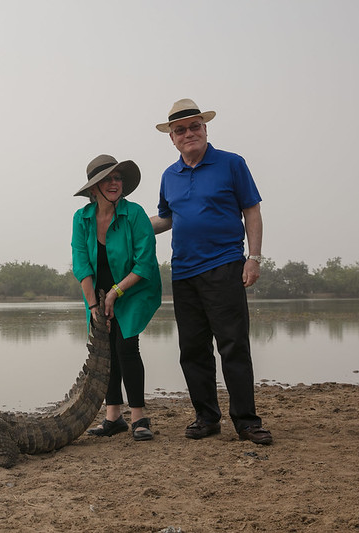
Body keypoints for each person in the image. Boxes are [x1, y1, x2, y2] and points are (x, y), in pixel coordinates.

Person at [150, 98, 273, 445]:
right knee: (193, 350)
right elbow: (167, 218)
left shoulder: (232, 163)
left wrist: (254, 257)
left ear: (205, 129)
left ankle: (246, 422)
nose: (188, 133)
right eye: (180, 130)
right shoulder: (169, 176)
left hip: (225, 266)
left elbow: (251, 210)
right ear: (172, 138)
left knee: (233, 346)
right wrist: (128, 227)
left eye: (194, 126)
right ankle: (206, 418)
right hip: (183, 273)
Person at [72, 154, 162, 441]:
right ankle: (113, 417)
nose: (114, 183)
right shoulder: (81, 218)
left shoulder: (134, 214)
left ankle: (139, 417)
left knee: (126, 347)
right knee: (105, 350)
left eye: (117, 178)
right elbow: (81, 264)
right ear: (93, 188)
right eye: (107, 179)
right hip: (97, 293)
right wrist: (94, 305)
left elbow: (145, 263)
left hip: (133, 289)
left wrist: (116, 292)